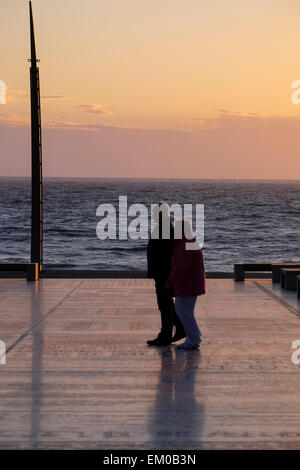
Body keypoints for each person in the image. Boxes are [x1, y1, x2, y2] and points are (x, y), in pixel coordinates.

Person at [147, 202, 186, 346]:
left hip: (163, 273)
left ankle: (166, 334)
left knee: (165, 304)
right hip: (162, 273)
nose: (153, 215)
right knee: (167, 304)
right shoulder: (165, 227)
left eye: (155, 212)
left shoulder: (165, 228)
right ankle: (179, 328)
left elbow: (168, 254)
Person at [166, 219, 205, 350]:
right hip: (190, 283)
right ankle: (193, 336)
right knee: (184, 311)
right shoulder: (186, 242)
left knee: (184, 311)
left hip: (188, 283)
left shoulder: (186, 244)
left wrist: (171, 281)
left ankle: (194, 339)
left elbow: (181, 266)